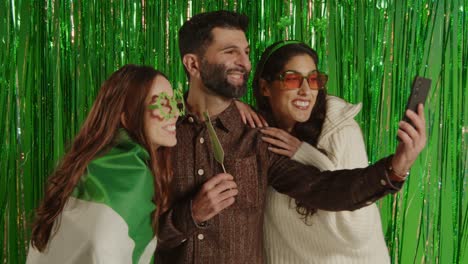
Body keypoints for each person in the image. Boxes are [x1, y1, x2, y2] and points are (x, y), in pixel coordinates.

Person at [155, 11, 426, 264]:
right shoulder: (159, 133)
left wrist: (396, 168)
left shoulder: (257, 138)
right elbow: (137, 232)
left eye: (246, 52)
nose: (245, 63)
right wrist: (192, 214)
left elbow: (324, 188)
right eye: (230, 52)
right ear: (193, 64)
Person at [250, 40, 392, 263]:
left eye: (314, 80)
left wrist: (304, 154)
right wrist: (233, 106)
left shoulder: (340, 131)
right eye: (292, 79)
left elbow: (359, 228)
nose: (306, 91)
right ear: (265, 87)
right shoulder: (256, 135)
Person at [26, 64, 182, 264]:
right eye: (162, 103)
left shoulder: (89, 162)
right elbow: (105, 248)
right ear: (127, 116)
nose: (175, 113)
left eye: (174, 102)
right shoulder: (132, 172)